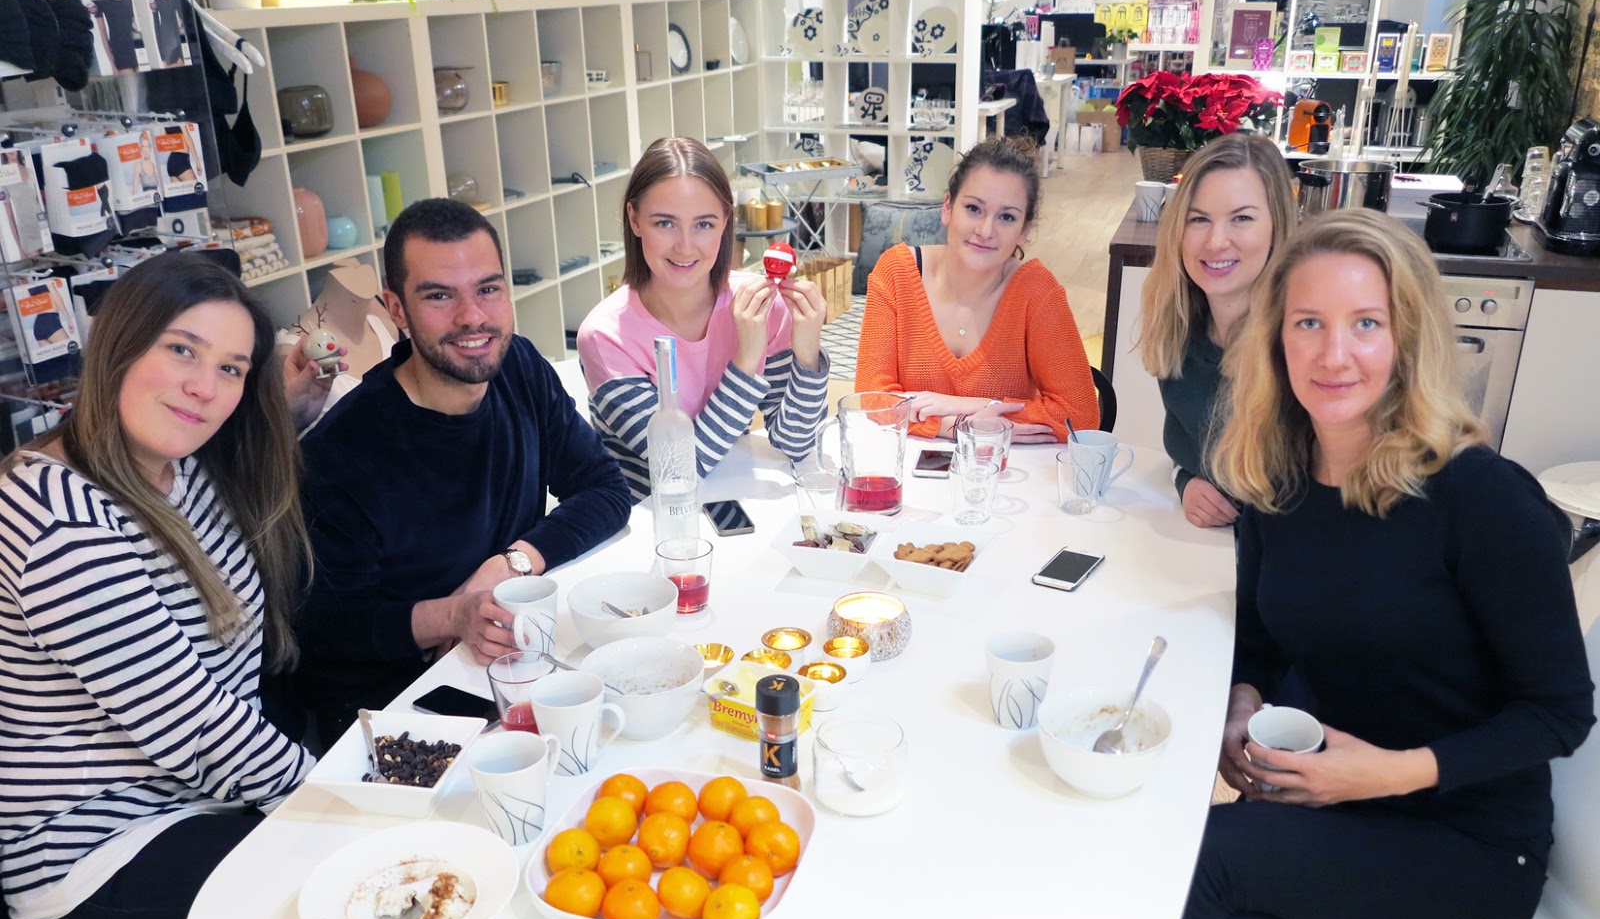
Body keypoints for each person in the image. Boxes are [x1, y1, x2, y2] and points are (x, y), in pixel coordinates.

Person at [1149, 210, 1594, 919]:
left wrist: (1387, 774)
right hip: (1334, 807)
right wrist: (1244, 699)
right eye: (1307, 323)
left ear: (1408, 338)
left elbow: (1562, 711)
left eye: (1365, 323)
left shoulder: (1483, 499)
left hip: (1469, 850)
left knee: (1205, 855)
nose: (1333, 352)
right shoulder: (1278, 477)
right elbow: (1264, 633)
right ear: (1275, 338)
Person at [0, 252, 311, 919]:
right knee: (378, 885)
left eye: (231, 369)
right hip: (103, 862)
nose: (205, 387)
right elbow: (195, 725)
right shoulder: (60, 523)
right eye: (182, 350)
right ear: (120, 344)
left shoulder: (178, 469)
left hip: (200, 803)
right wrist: (337, 795)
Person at [295, 198, 631, 745]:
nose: (472, 317)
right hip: (398, 715)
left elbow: (605, 489)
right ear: (396, 309)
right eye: (439, 296)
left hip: (508, 669)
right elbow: (330, 630)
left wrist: (509, 564)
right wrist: (454, 616)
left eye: (488, 289)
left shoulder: (519, 367)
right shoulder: (343, 451)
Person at [577, 135, 831, 501]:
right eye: (665, 223)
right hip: (646, 515)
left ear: (726, 221)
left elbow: (796, 443)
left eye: (704, 224)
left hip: (731, 500)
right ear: (634, 219)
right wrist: (746, 361)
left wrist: (807, 354)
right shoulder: (605, 337)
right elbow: (682, 467)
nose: (685, 247)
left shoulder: (760, 307)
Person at [854, 135, 1099, 441]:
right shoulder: (896, 272)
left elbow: (1081, 417)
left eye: (1006, 217)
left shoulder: (1037, 291)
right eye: (973, 208)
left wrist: (969, 406)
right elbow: (873, 400)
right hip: (905, 466)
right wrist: (957, 425)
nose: (985, 230)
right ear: (947, 207)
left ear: (1024, 230)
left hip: (1003, 467)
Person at [1137, 133, 1296, 528]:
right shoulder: (1179, 330)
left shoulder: (1300, 345)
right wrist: (1186, 481)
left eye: (1241, 218)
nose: (1215, 241)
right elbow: (1190, 451)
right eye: (1199, 219)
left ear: (1277, 227)